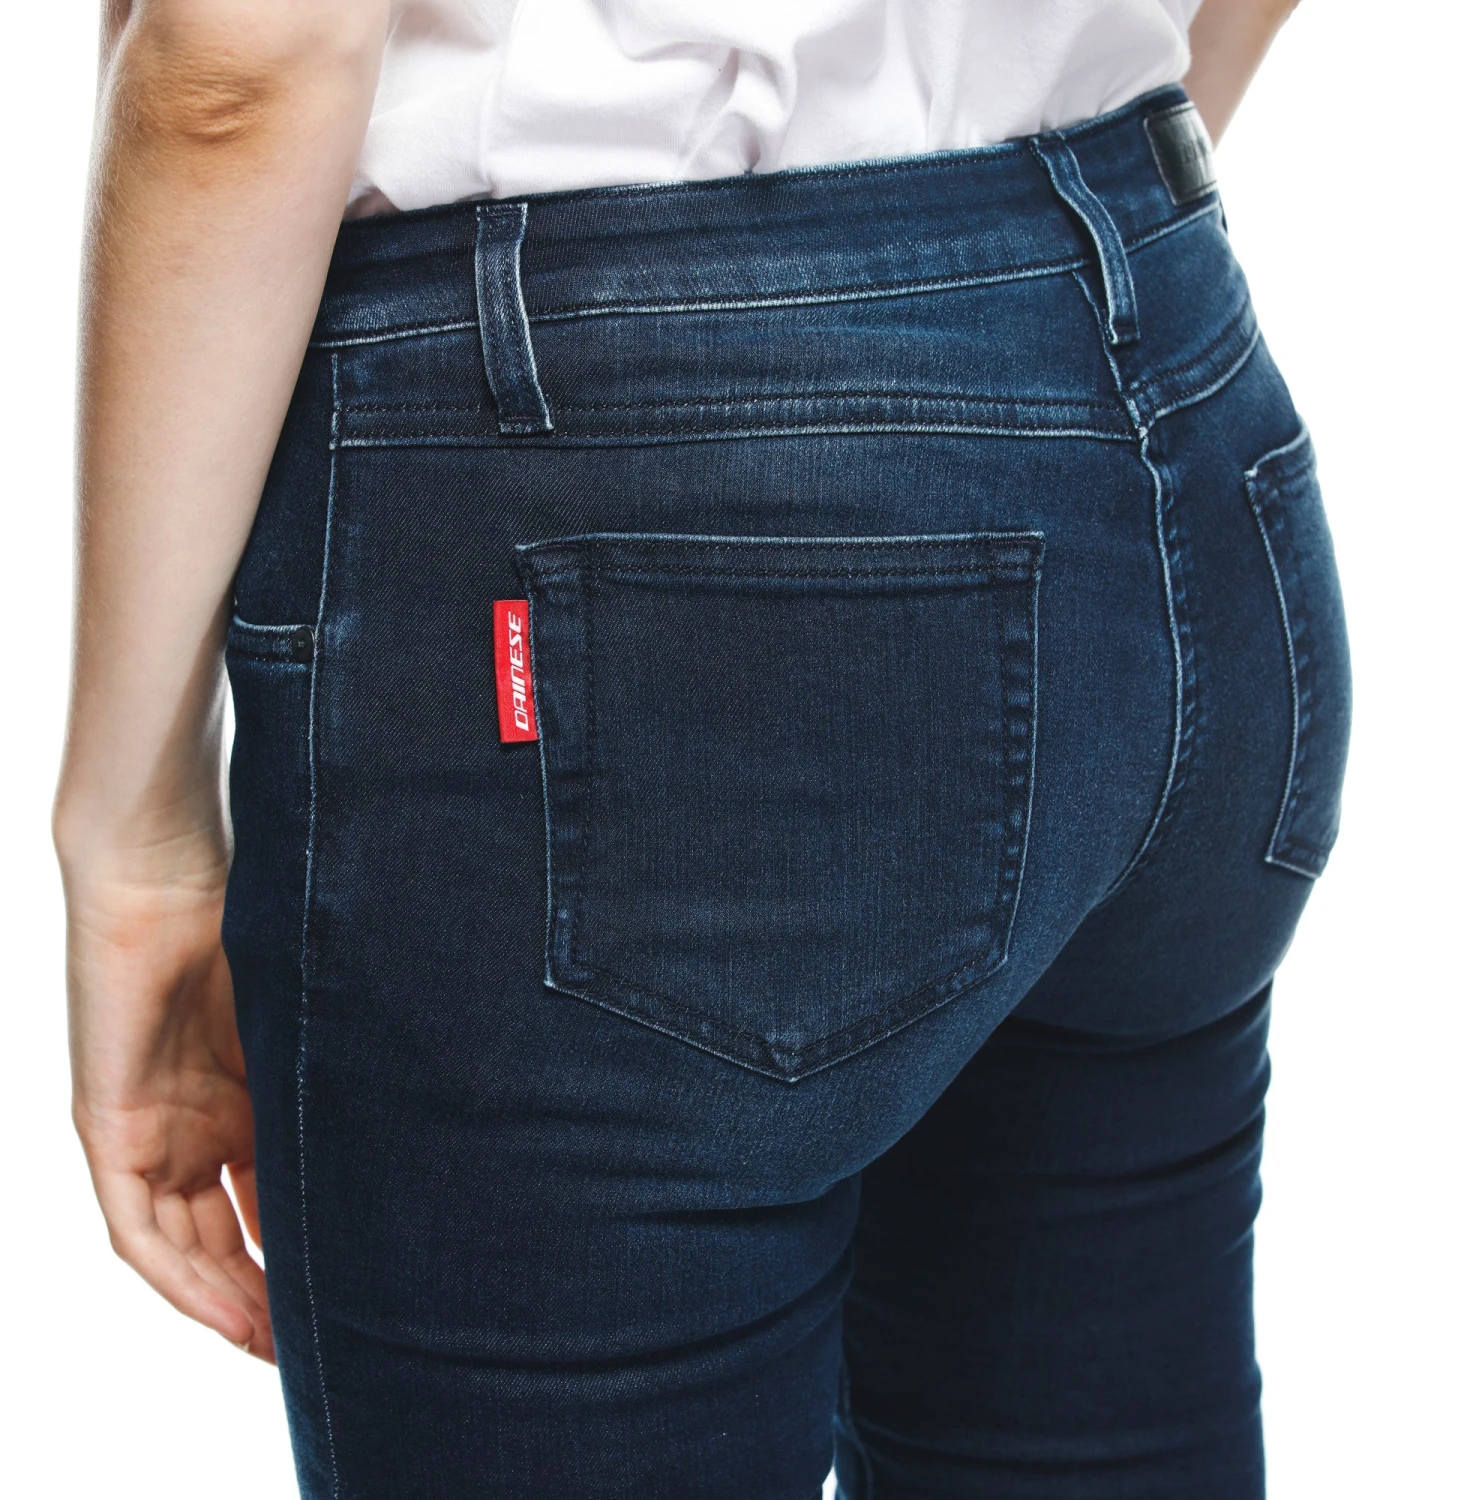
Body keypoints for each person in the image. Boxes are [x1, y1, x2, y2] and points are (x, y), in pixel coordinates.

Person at [56, 1, 1349, 1495]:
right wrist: (1006, 337)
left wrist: (134, 822)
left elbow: (243, 62)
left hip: (616, 467)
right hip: (1171, 390)